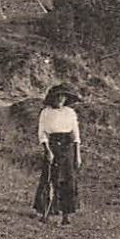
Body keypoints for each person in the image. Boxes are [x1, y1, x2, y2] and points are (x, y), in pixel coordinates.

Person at [33, 83, 81, 226]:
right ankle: (46, 213)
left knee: (68, 181)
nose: (60, 99)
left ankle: (66, 216)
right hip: (53, 147)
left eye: (63, 96)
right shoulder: (46, 112)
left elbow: (76, 135)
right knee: (50, 179)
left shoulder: (70, 113)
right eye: (57, 96)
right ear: (52, 98)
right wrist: (47, 150)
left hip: (68, 149)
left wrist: (77, 155)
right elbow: (42, 133)